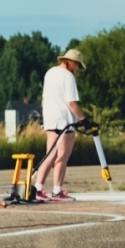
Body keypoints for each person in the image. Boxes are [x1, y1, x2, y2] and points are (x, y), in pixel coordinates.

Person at [33, 48, 86, 202]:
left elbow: (44, 100)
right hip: (65, 121)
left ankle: (38, 188)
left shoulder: (50, 73)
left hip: (50, 119)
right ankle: (57, 191)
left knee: (50, 155)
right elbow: (71, 102)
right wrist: (83, 119)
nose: (77, 69)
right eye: (77, 66)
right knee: (62, 156)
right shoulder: (68, 77)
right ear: (72, 62)